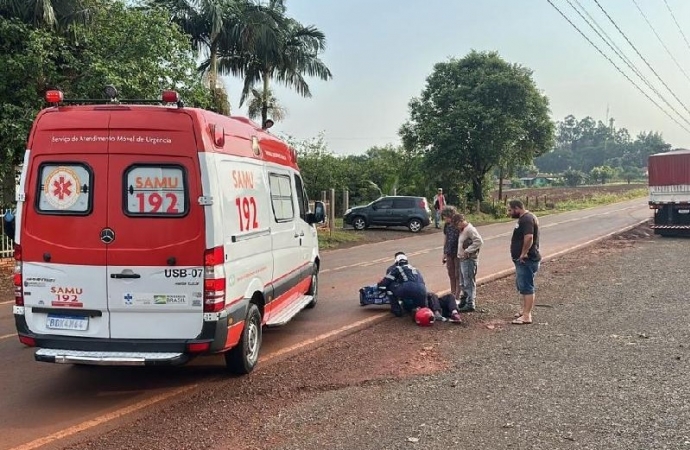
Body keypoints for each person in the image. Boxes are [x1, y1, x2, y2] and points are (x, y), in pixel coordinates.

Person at [507, 200, 541, 325]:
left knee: (527, 287)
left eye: (510, 210)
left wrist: (523, 253)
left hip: (526, 260)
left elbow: (529, 237)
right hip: (523, 260)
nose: (509, 213)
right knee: (522, 285)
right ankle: (525, 310)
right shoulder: (526, 218)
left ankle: (527, 315)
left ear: (517, 208)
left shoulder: (526, 219)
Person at [377, 252, 428, 317]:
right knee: (423, 311)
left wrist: (380, 285)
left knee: (390, 286)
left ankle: (397, 310)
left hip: (407, 288)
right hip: (422, 290)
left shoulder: (398, 268)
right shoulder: (415, 269)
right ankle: (415, 310)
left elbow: (385, 282)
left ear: (397, 262)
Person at [455, 214, 483, 312]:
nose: (457, 227)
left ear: (461, 221)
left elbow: (479, 241)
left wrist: (468, 250)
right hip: (463, 259)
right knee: (463, 282)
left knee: (469, 282)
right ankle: (465, 300)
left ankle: (470, 303)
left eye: (457, 224)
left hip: (469, 259)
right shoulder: (464, 230)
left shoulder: (470, 229)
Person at [441, 206, 461, 298]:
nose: (444, 218)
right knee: (451, 273)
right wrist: (444, 253)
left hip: (458, 253)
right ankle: (453, 293)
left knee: (458, 274)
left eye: (445, 216)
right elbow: (446, 238)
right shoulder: (446, 226)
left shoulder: (458, 224)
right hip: (449, 252)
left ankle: (457, 294)